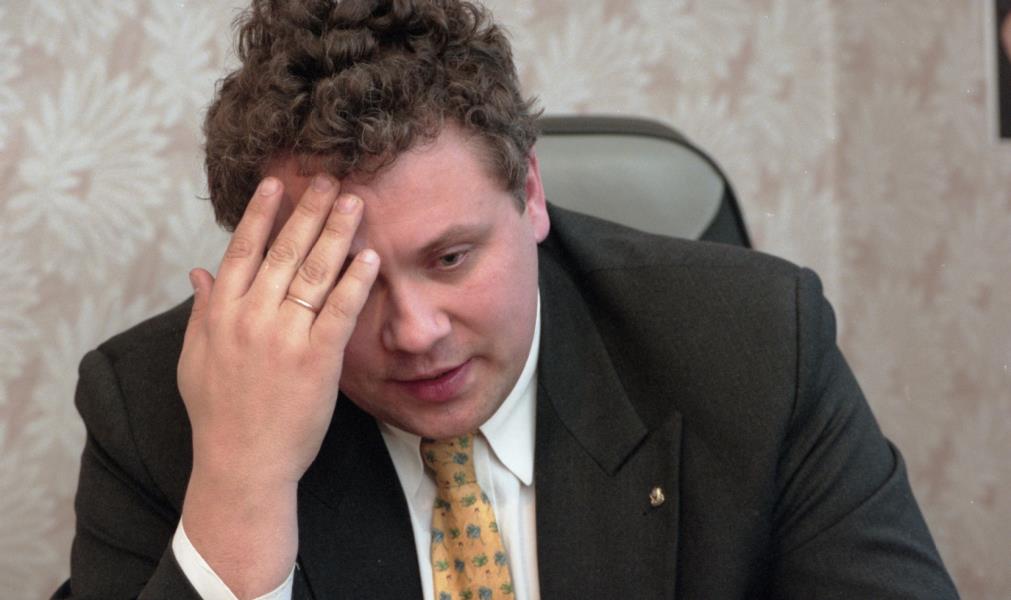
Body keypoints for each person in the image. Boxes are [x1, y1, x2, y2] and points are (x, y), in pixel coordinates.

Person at [53, 1, 959, 598]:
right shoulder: (158, 410)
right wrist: (242, 484)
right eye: (343, 283)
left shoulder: (753, 343)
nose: (415, 332)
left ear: (528, 193)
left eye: (450, 258)